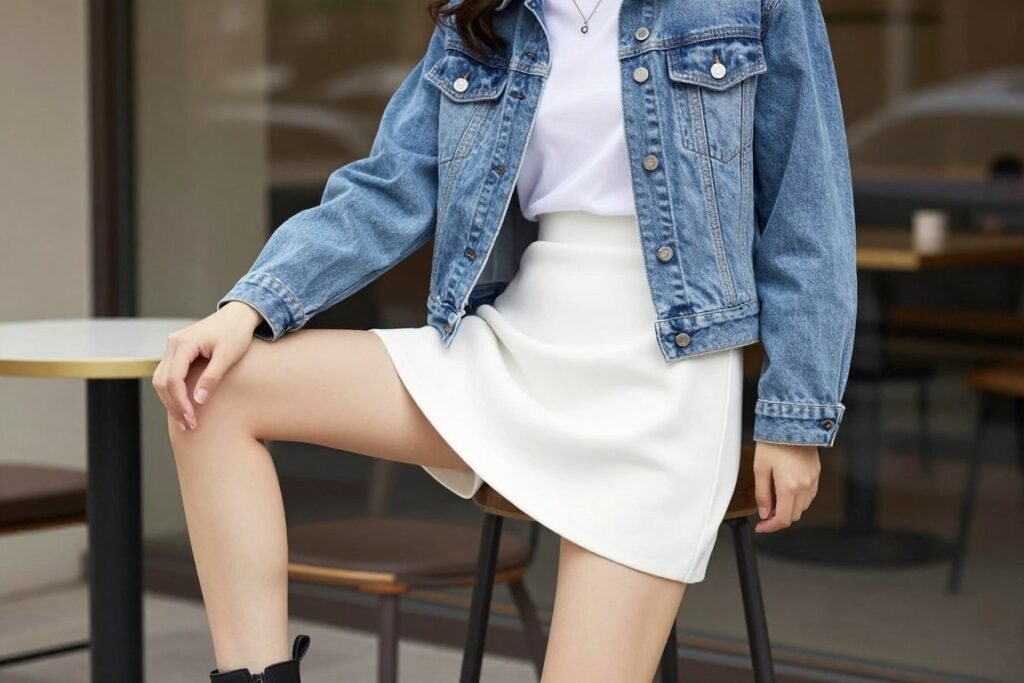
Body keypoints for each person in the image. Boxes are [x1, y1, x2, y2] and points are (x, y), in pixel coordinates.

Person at [152, 0, 857, 680]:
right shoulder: (490, 9)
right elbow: (392, 185)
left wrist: (795, 417)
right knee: (215, 388)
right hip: (517, 345)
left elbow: (808, 208)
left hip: (663, 384)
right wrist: (252, 302)